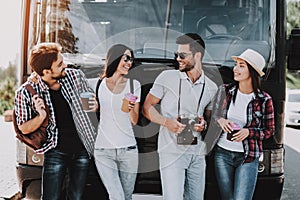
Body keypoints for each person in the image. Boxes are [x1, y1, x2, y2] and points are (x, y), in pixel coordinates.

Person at [14, 42, 98, 200]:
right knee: (50, 197)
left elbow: (91, 105)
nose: (65, 65)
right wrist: (40, 116)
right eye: (60, 64)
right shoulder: (25, 93)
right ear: (46, 72)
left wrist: (95, 106)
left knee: (77, 196)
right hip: (55, 151)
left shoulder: (75, 76)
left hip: (82, 148)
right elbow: (23, 128)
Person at [143, 33, 218, 200]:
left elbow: (208, 120)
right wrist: (166, 122)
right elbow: (147, 108)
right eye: (177, 54)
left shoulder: (211, 87)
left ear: (197, 55)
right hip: (170, 152)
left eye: (182, 55)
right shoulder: (166, 77)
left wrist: (203, 125)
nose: (178, 58)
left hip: (197, 153)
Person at [212, 49, 275, 200]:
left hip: (248, 156)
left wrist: (249, 132)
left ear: (251, 71)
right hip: (222, 154)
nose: (235, 69)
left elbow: (270, 130)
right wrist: (220, 120)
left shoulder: (264, 99)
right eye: (235, 65)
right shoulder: (225, 91)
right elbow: (214, 116)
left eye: (241, 66)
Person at [93, 44, 141, 200]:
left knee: (126, 197)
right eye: (126, 58)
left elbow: (134, 120)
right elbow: (70, 77)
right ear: (114, 58)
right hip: (103, 151)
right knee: (117, 196)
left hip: (128, 151)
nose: (129, 63)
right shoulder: (97, 84)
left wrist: (132, 107)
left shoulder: (134, 85)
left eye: (131, 60)